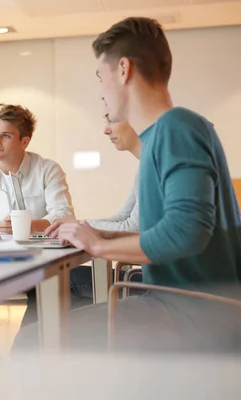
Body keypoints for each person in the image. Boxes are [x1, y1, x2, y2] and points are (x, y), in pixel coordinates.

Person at [36, 17, 241, 353]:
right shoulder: (166, 135)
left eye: (101, 77)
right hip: (187, 306)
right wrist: (97, 233)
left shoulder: (176, 128)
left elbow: (185, 233)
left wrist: (98, 247)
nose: (101, 89)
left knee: (36, 342)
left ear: (123, 69)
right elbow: (167, 228)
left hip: (191, 313)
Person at [0, 103, 75, 354]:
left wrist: (28, 225)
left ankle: (21, 351)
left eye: (6, 135)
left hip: (30, 260)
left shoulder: (48, 170)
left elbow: (65, 215)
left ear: (24, 141)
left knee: (42, 287)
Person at [70, 116, 142, 309]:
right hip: (151, 277)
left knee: (67, 281)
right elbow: (122, 217)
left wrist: (80, 229)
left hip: (159, 286)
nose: (106, 130)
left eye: (112, 121)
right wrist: (80, 226)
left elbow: (132, 228)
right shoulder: (145, 166)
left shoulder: (155, 165)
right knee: (68, 279)